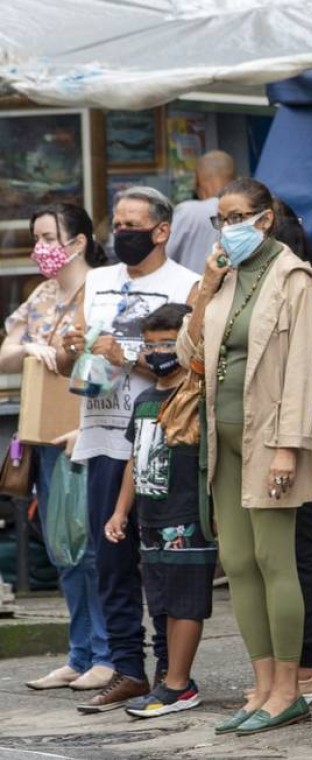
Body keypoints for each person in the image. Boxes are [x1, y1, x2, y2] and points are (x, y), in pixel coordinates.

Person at [178, 177, 312, 736]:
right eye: (221, 218)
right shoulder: (225, 277)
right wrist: (205, 289)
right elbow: (188, 354)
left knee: (274, 560)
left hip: (272, 438)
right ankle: (262, 685)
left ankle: (290, 687)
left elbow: (307, 369)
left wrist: (290, 445)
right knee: (238, 563)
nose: (228, 227)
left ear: (265, 218)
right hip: (225, 437)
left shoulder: (295, 280)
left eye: (238, 215)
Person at [58, 187, 200, 713]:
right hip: (100, 433)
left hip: (162, 434)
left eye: (133, 225)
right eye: (116, 224)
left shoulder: (187, 284)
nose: (122, 234)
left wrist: (125, 356)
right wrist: (69, 348)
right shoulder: (97, 281)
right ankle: (125, 667)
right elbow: (65, 350)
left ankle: (170, 669)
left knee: (163, 560)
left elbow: (190, 368)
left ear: (161, 230)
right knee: (110, 559)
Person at [5, 204, 114, 693]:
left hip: (94, 432)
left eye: (49, 236)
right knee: (63, 547)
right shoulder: (41, 295)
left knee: (94, 547)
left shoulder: (106, 287)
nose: (40, 247)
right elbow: (4, 350)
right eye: (37, 237)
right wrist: (29, 348)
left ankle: (109, 652)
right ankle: (79, 653)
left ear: (79, 241)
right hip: (47, 434)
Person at [102, 303, 214, 718]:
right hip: (150, 520)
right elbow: (135, 458)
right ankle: (171, 680)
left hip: (188, 515)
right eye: (149, 345)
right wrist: (119, 512)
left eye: (167, 343)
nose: (157, 352)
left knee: (186, 601)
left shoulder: (199, 398)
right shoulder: (147, 398)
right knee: (163, 603)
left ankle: (178, 685)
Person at [269, 199, 312, 706]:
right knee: (279, 553)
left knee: (301, 548)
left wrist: (291, 444)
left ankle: (308, 666)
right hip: (273, 437)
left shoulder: (306, 290)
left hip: (306, 438)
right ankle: (288, 665)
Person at [168, 151, 237, 273]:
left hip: (194, 290)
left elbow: (161, 256)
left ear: (197, 179)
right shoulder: (250, 212)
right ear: (236, 179)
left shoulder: (187, 212)